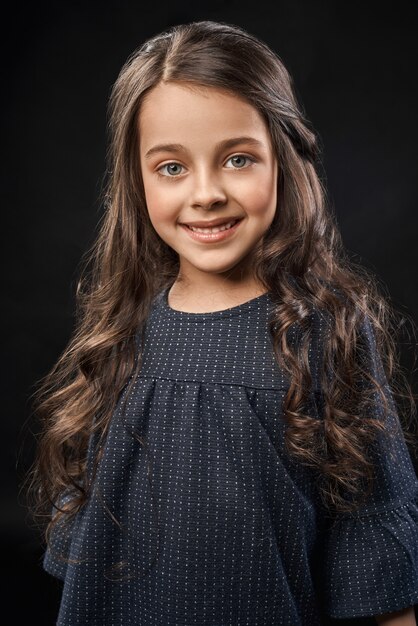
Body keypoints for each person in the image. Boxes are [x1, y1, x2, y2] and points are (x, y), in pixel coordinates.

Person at [26, 20, 418, 626]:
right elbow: (84, 554)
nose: (206, 193)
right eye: (172, 167)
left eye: (237, 158)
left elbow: (373, 540)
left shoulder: (326, 333)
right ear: (137, 180)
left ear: (282, 162)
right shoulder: (120, 330)